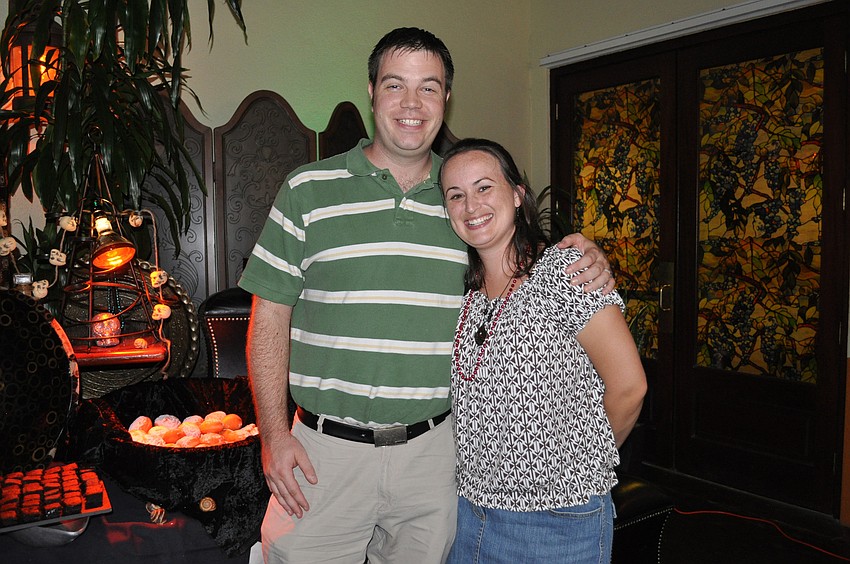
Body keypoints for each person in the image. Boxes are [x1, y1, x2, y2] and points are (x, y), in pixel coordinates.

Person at [238, 28, 615, 563]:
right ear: (371, 91)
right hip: (324, 454)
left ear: (445, 99)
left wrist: (584, 254)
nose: (412, 104)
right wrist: (273, 435)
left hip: (435, 457)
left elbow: (519, 265)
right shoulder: (306, 191)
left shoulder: (462, 194)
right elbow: (269, 318)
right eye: (396, 85)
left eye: (429, 88)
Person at [439, 138, 647, 564]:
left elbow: (630, 386)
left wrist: (582, 464)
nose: (470, 205)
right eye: (455, 195)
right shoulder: (467, 294)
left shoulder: (563, 270)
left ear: (517, 195)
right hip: (468, 514)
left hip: (556, 521)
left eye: (484, 187)